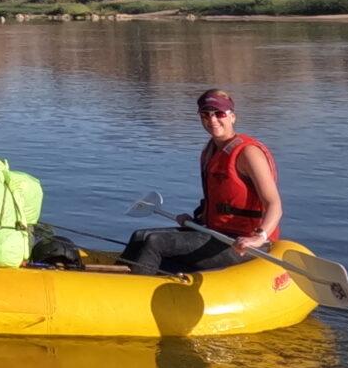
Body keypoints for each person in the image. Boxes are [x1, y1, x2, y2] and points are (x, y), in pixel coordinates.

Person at [120, 88, 283, 276]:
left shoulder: (249, 154)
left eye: (219, 113)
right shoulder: (209, 151)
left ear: (232, 116)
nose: (212, 120)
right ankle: (113, 282)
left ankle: (136, 292)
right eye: (205, 114)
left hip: (244, 244)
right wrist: (197, 220)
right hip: (216, 233)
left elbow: (274, 204)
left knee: (155, 242)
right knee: (140, 237)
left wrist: (258, 237)